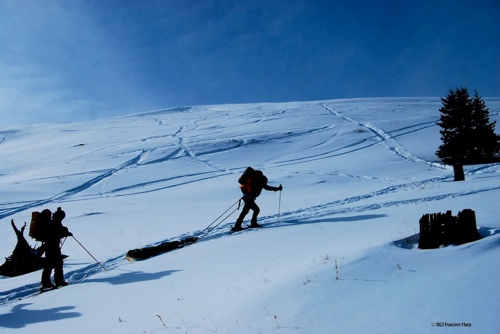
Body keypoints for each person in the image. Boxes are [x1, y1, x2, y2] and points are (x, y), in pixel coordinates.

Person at [41, 207, 72, 291]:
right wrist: (66, 233)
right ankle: (58, 281)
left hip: (49, 246)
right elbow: (58, 232)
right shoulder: (55, 223)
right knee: (57, 263)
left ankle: (46, 282)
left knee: (49, 264)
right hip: (53, 246)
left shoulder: (50, 222)